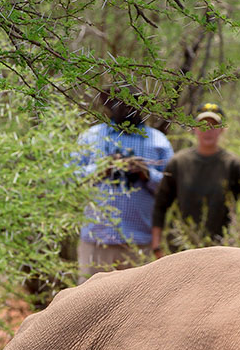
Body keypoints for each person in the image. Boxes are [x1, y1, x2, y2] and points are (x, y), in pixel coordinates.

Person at [71, 96, 172, 281]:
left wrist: (146, 173)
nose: (125, 108)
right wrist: (101, 169)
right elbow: (70, 180)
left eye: (132, 103)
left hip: (138, 243)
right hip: (97, 240)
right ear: (108, 105)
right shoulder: (91, 137)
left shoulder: (158, 141)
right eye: (119, 102)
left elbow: (170, 188)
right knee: (89, 303)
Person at [150, 102, 240, 254]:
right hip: (181, 249)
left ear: (222, 129)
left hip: (222, 249)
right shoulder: (178, 162)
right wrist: (157, 246)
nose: (207, 131)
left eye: (213, 126)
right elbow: (161, 205)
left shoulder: (233, 165)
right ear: (194, 128)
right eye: (202, 125)